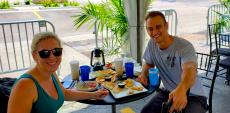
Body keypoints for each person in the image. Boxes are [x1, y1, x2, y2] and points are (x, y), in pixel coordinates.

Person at [7, 32, 109, 113]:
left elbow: (64, 93)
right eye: (45, 53)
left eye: (56, 51)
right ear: (34, 56)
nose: (52, 57)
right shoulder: (25, 85)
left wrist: (94, 95)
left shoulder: (51, 73)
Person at [137, 11, 207, 113]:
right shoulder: (151, 44)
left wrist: (182, 89)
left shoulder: (184, 46)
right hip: (168, 93)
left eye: (158, 27)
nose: (154, 32)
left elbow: (189, 70)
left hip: (194, 96)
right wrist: (143, 74)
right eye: (150, 29)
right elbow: (148, 63)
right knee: (146, 111)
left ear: (166, 26)